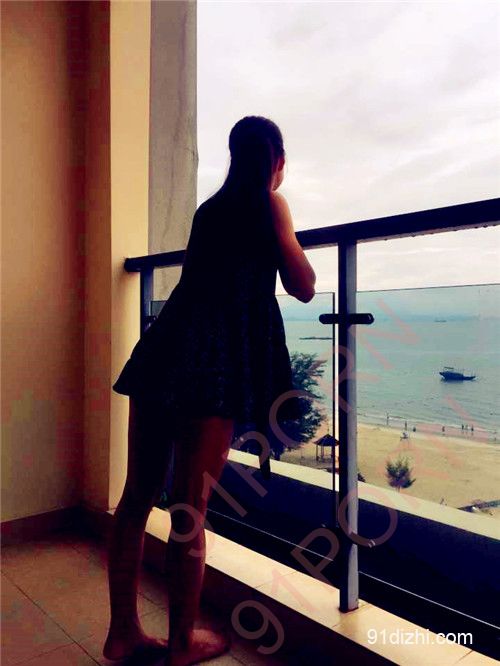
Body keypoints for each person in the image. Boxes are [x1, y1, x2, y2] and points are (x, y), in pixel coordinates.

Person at [104, 116, 316, 665]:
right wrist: (284, 229)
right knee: (189, 509)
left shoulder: (208, 210)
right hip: (212, 368)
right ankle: (181, 644)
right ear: (277, 162)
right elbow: (304, 286)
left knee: (136, 496)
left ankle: (123, 632)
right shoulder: (270, 203)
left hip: (163, 351)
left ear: (232, 156)